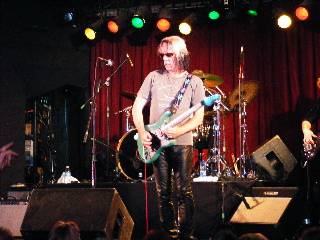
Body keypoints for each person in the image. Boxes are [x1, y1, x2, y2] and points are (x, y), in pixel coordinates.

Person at [132, 36, 205, 239]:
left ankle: (186, 234)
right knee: (162, 192)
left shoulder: (194, 82)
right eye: (162, 55)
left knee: (184, 191)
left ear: (181, 55)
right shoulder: (153, 77)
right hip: (156, 142)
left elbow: (198, 118)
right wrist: (141, 131)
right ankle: (169, 234)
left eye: (169, 54)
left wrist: (181, 130)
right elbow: (137, 108)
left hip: (182, 143)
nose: (165, 59)